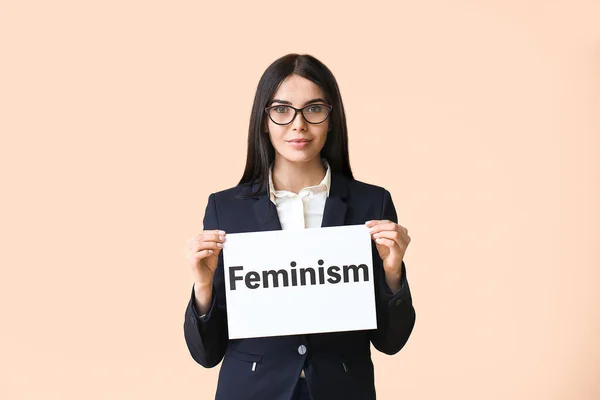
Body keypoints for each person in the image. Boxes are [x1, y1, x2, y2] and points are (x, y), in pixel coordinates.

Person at [183, 53, 416, 400]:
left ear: (331, 118)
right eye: (281, 110)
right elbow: (206, 354)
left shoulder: (372, 204)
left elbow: (390, 342)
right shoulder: (226, 208)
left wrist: (393, 273)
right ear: (263, 120)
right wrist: (203, 287)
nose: (298, 125)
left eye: (314, 109)